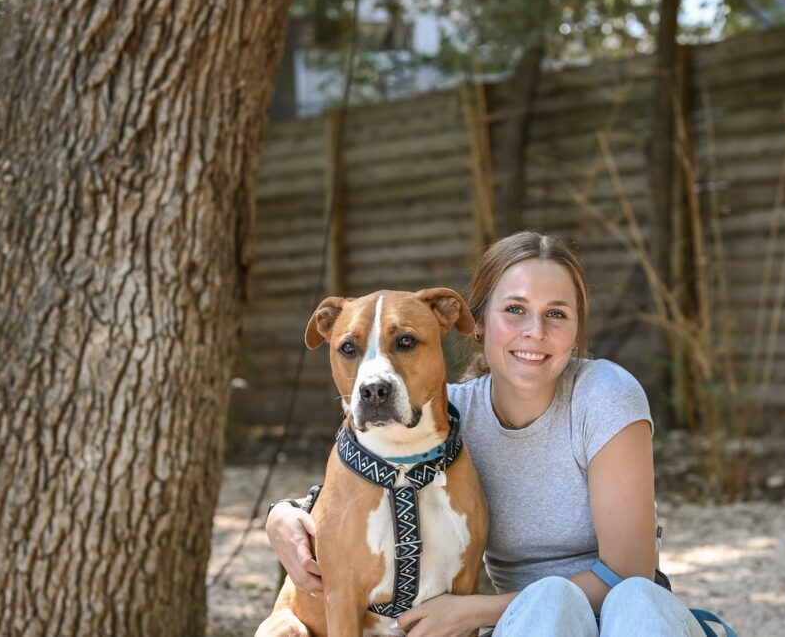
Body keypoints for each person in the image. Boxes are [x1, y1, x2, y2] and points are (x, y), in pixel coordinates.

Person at [266, 231, 706, 636]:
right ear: (477, 323)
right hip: (532, 625)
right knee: (550, 603)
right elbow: (364, 467)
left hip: (627, 619)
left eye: (556, 314)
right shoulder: (447, 414)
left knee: (630, 597)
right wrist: (282, 514)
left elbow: (630, 572)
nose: (535, 331)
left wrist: (475, 610)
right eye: (515, 310)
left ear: (576, 331)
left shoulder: (604, 395)